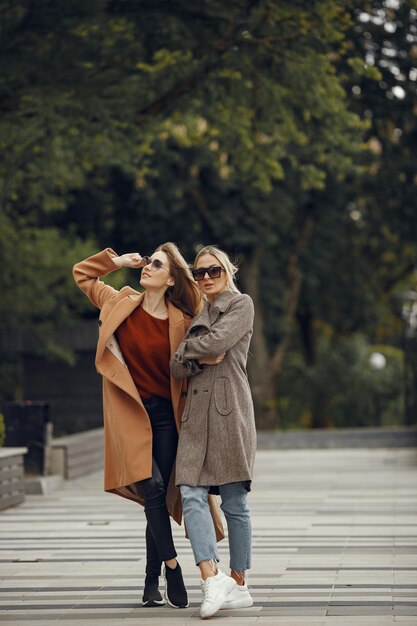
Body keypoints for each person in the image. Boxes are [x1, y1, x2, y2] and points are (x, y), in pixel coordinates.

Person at [73, 244, 203, 609]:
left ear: (171, 278)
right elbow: (82, 274)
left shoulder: (185, 321)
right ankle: (172, 566)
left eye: (156, 264)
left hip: (166, 419)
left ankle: (151, 581)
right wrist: (117, 262)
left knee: (156, 497)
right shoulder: (119, 302)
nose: (147, 266)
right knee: (154, 487)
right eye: (147, 261)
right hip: (130, 413)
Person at [170, 245, 257, 619]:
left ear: (227, 270)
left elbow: (218, 344)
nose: (205, 277)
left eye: (213, 270)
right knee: (190, 491)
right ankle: (210, 576)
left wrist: (188, 351)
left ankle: (238, 583)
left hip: (229, 412)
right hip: (195, 418)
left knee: (234, 501)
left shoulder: (242, 304)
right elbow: (174, 366)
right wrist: (193, 353)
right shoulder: (198, 312)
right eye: (199, 272)